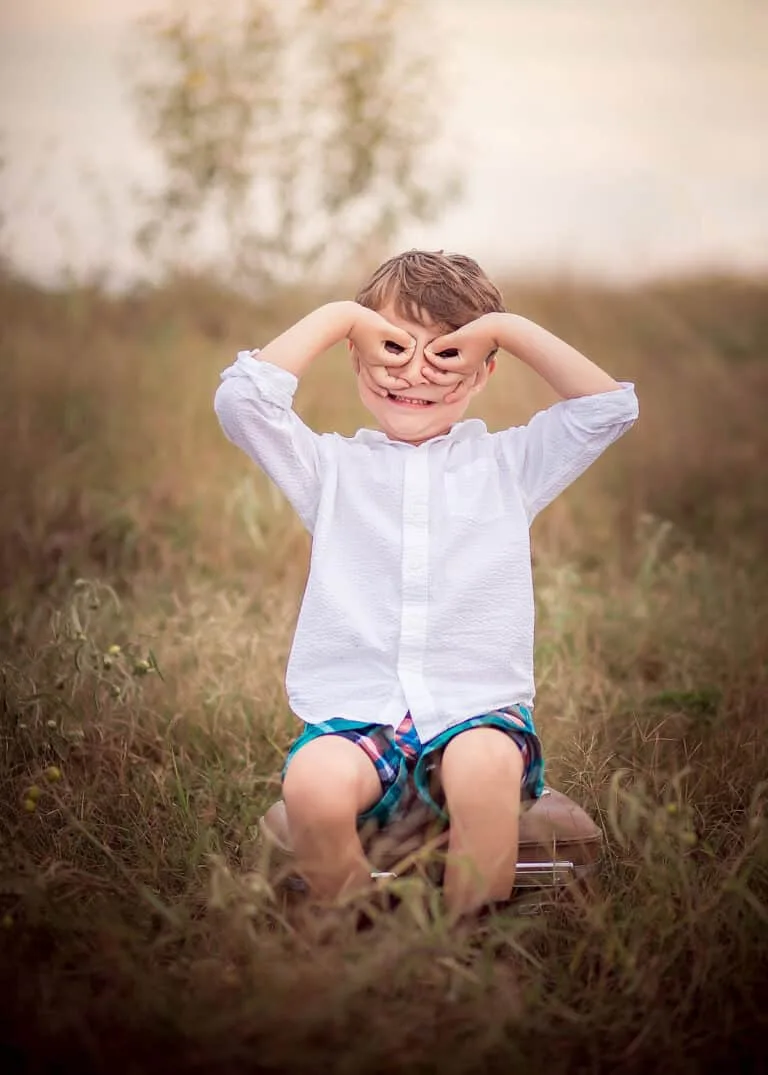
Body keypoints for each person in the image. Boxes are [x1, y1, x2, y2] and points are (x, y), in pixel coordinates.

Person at [214, 249, 638, 922]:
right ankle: (370, 947)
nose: (414, 373)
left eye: (444, 355)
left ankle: (461, 951)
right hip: (358, 721)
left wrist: (504, 328)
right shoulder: (330, 469)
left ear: (483, 369)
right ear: (357, 356)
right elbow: (241, 402)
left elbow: (609, 408)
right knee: (312, 784)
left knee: (479, 768)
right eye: (392, 348)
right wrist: (340, 316)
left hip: (476, 714)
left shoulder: (508, 463)